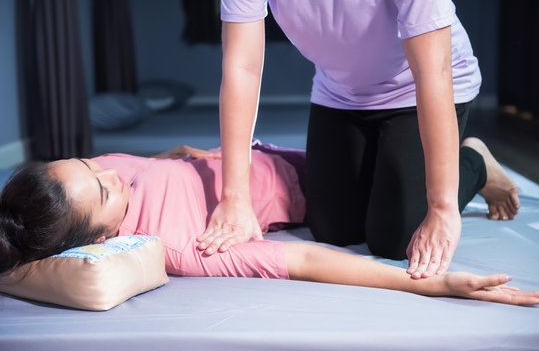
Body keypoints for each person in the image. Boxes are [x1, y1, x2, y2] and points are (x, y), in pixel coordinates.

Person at [202, 0, 521, 280]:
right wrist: (235, 199)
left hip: (415, 86)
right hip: (341, 92)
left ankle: (474, 163)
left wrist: (442, 207)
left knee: (398, 237)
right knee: (331, 230)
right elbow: (241, 68)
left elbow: (432, 73)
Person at [0, 140, 537, 306]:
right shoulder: (187, 246)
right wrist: (437, 283)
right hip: (321, 190)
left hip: (284, 153)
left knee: (410, 182)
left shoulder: (105, 177)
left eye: (91, 163)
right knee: (392, 226)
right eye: (101, 186)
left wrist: (184, 156)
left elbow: (141, 166)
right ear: (99, 236)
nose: (112, 172)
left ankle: (470, 158)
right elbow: (303, 258)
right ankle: (476, 160)